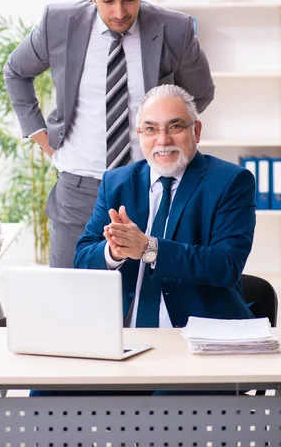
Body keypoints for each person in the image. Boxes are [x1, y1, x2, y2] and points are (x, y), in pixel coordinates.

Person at [3, 0, 215, 268]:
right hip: (78, 188)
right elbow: (16, 71)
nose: (119, 12)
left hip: (149, 184)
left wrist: (165, 138)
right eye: (108, 0)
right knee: (70, 294)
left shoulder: (175, 29)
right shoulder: (58, 23)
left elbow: (200, 93)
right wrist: (42, 139)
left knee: (147, 303)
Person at [74, 84, 256, 327]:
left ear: (197, 131)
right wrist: (114, 252)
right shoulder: (115, 182)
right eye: (151, 129)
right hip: (123, 335)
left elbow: (226, 266)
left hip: (200, 334)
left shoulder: (231, 181)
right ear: (139, 135)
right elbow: (82, 259)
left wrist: (149, 248)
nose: (163, 140)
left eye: (175, 126)